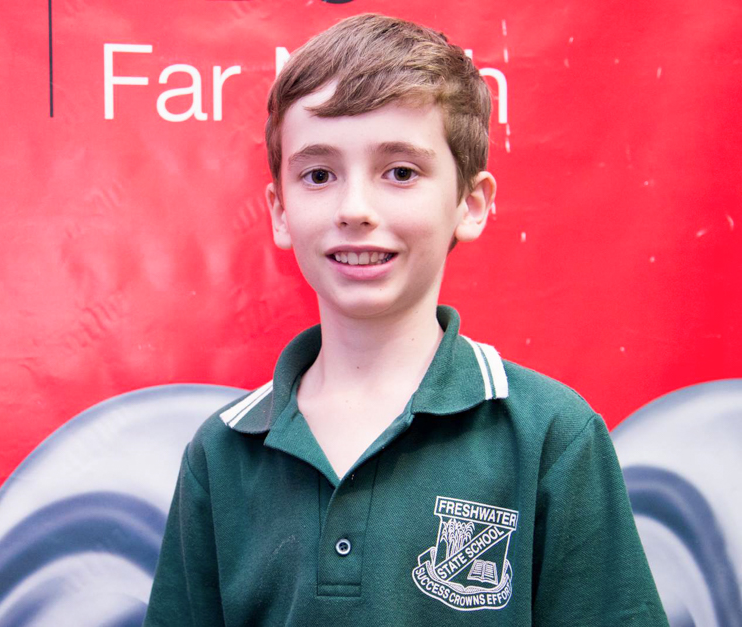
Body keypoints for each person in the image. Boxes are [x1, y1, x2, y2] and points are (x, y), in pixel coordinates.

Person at [144, 13, 667, 626]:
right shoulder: (221, 453)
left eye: (400, 172)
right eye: (319, 175)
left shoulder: (552, 436)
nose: (356, 209)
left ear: (470, 204)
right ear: (280, 211)